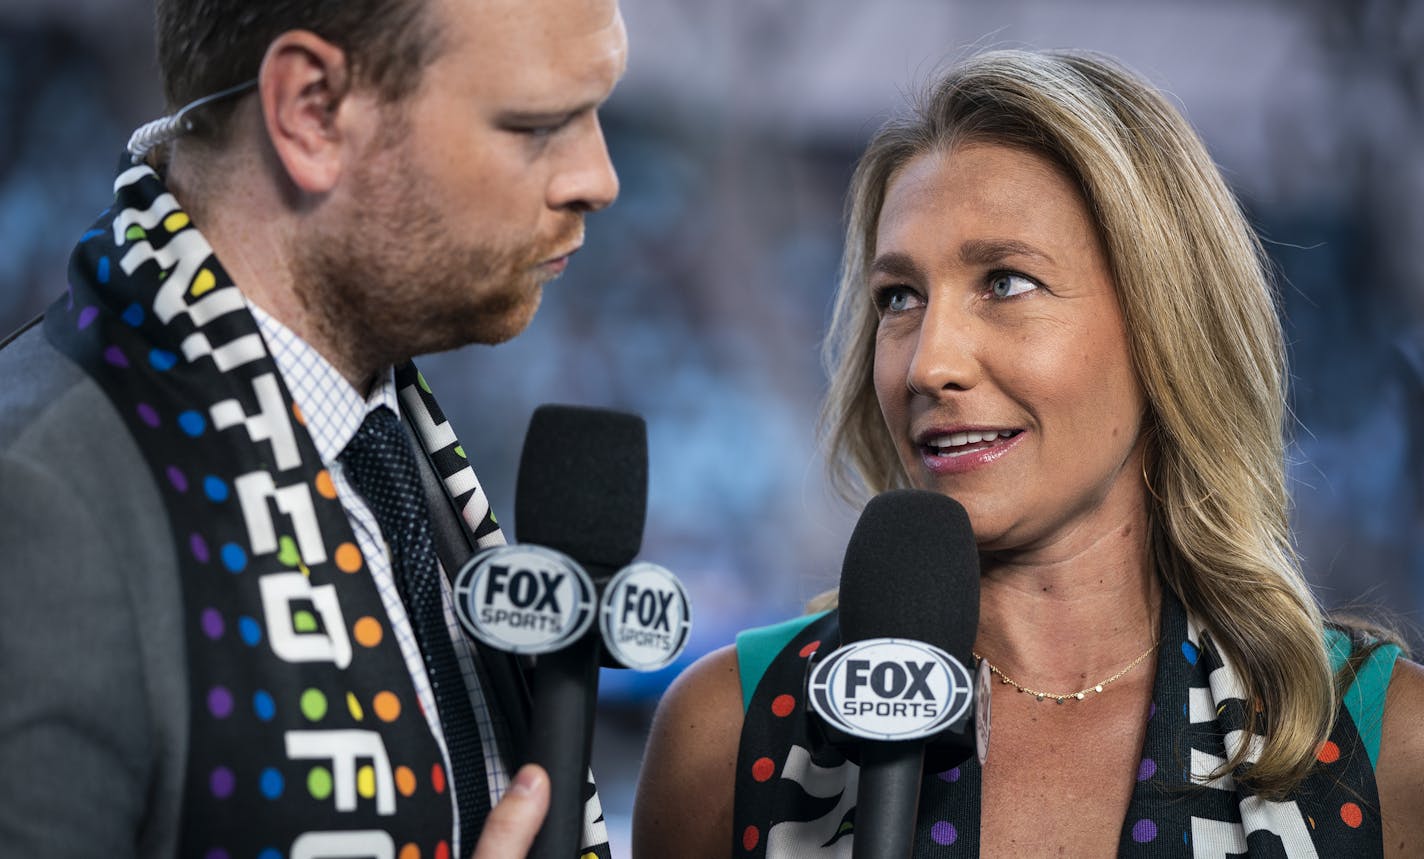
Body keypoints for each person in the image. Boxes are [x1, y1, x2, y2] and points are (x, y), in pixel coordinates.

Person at [633, 49, 1424, 857]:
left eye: (1006, 282)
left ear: (1165, 327)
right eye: (899, 298)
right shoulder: (727, 727)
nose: (928, 363)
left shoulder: (1389, 744)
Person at [0, 0, 627, 856]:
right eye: (538, 124)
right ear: (312, 111)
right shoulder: (37, 500)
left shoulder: (390, 454)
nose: (598, 176)